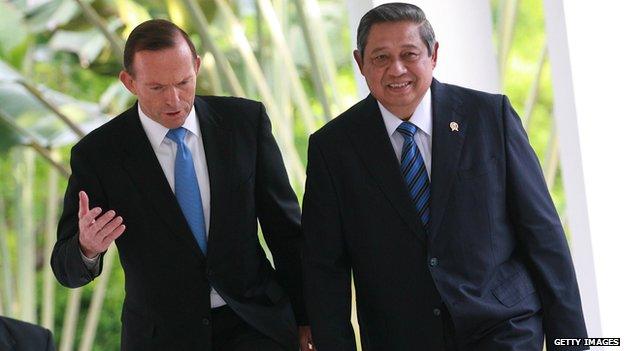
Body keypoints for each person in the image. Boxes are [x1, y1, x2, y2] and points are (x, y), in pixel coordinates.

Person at [301, 3, 587, 351]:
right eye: (380, 58)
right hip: (402, 338)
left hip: (504, 328)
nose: (397, 69)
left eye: (410, 54)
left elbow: (544, 236)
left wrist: (571, 342)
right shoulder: (333, 148)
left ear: (433, 55)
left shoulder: (489, 118)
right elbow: (325, 270)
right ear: (360, 63)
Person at [51, 19, 313, 351]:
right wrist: (87, 248)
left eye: (183, 82)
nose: (174, 100)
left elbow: (286, 231)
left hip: (256, 325)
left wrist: (307, 318)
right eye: (157, 88)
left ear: (197, 66)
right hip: (162, 337)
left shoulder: (244, 123)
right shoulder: (99, 155)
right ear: (129, 82)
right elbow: (65, 267)